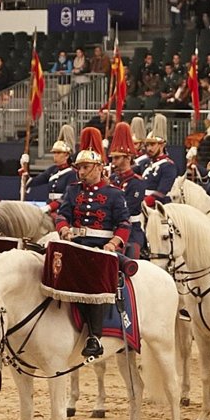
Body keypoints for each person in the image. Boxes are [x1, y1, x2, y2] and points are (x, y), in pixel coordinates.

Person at [54, 148, 131, 358]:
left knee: (93, 280)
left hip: (101, 248)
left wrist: (113, 243)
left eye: (85, 167)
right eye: (78, 168)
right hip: (76, 244)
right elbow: (62, 215)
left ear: (98, 168)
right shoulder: (73, 190)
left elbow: (124, 223)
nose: (81, 172)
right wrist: (63, 229)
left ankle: (94, 337)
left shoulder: (114, 193)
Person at [108, 122, 146, 259]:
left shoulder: (137, 183)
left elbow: (127, 210)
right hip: (110, 229)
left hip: (131, 231)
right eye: (112, 158)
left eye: (117, 158)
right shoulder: (111, 179)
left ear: (128, 158)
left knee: (130, 258)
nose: (113, 162)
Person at [23, 124, 77, 212]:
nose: (55, 156)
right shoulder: (53, 170)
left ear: (66, 155)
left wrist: (50, 207)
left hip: (64, 210)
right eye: (54, 153)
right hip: (50, 207)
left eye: (58, 153)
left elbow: (67, 196)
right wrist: (24, 169)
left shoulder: (72, 173)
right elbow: (34, 181)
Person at [139, 114, 177, 208]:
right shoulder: (145, 163)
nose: (149, 148)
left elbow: (161, 193)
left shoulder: (168, 166)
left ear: (162, 145)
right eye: (147, 145)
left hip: (157, 208)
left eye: (152, 145)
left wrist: (143, 204)